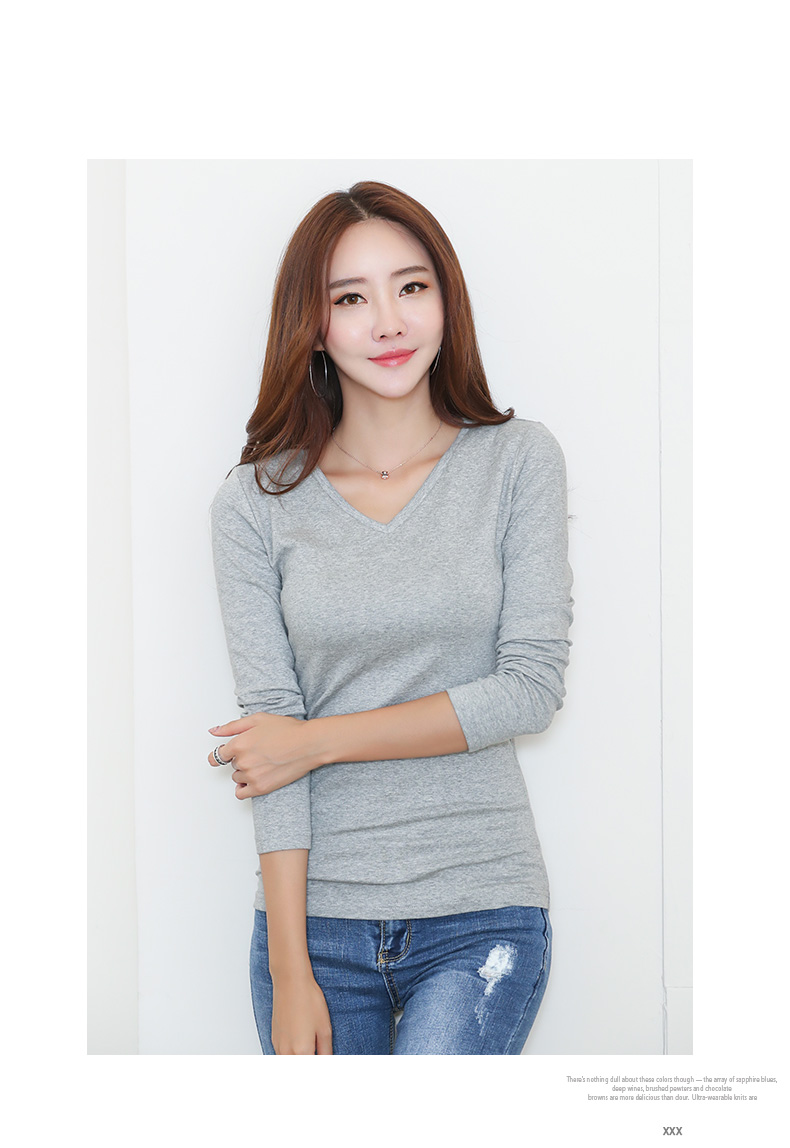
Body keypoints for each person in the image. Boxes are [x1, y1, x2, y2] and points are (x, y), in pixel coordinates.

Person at [208, 180, 573, 1055]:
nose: (388, 322)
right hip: (316, 928)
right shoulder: (254, 504)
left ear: (446, 299)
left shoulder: (518, 462)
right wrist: (290, 970)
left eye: (411, 286)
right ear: (313, 324)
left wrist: (315, 741)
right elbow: (269, 736)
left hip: (479, 906)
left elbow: (528, 689)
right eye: (350, 298)